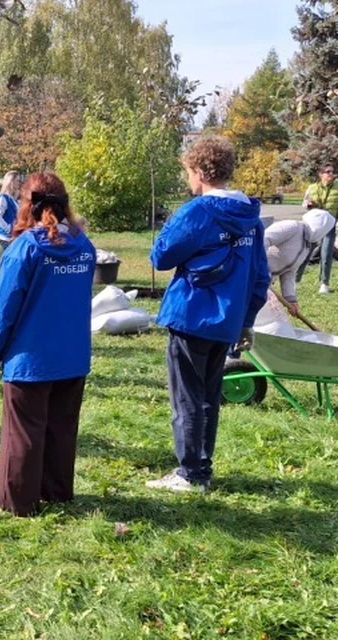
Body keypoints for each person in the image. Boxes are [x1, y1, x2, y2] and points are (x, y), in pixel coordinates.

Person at [148, 135, 270, 493]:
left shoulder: (196, 212)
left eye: (188, 172)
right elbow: (260, 276)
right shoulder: (250, 216)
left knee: (186, 396)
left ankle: (189, 474)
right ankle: (201, 467)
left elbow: (160, 257)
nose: (188, 180)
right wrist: (246, 321)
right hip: (228, 321)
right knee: (207, 396)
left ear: (200, 171)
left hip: (191, 315)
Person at [0, 172, 95, 516]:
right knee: (61, 429)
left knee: (23, 432)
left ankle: (16, 502)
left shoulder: (25, 249)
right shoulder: (84, 246)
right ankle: (56, 492)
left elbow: (5, 306)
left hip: (30, 358)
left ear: (27, 204)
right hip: (72, 357)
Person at [264, 209, 336, 315]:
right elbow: (262, 239)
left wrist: (290, 299)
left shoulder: (306, 245)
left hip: (262, 283)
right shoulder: (292, 227)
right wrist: (260, 269)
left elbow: (289, 273)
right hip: (248, 274)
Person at [302, 163, 338, 293]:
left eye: (332, 172)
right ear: (321, 174)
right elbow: (304, 204)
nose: (330, 174)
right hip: (315, 225)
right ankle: (296, 280)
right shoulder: (312, 188)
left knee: (326, 253)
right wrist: (309, 204)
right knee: (305, 252)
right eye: (327, 172)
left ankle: (324, 283)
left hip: (330, 225)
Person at [0, 170, 21, 251]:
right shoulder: (4, 198)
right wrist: (8, 228)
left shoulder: (12, 198)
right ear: (11, 181)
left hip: (12, 236)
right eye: (17, 180)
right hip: (5, 236)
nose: (19, 183)